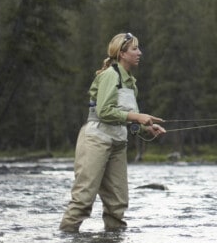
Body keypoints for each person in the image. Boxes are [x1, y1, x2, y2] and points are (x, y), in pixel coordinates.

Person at [59, 32, 165, 232]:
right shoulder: (110, 75)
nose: (140, 53)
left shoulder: (131, 83)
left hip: (118, 142)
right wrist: (137, 117)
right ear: (122, 54)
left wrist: (146, 127)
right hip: (96, 139)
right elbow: (104, 111)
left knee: (117, 203)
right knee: (83, 199)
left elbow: (126, 117)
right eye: (135, 49)